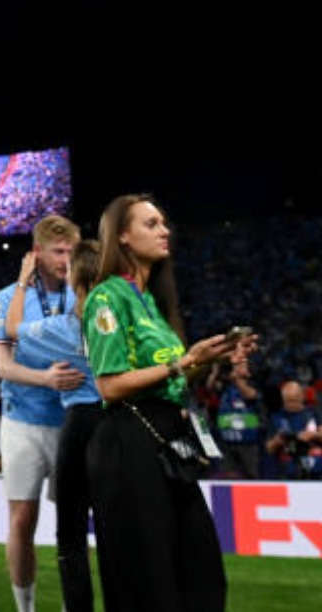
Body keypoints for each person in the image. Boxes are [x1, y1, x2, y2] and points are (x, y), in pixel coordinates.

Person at [82, 193, 257, 612]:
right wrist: (185, 361)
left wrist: (208, 360)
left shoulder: (153, 304)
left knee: (199, 567)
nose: (165, 231)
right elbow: (109, 386)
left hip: (166, 439)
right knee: (150, 575)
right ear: (122, 236)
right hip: (129, 442)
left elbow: (171, 377)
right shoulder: (106, 298)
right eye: (151, 224)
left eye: (164, 223)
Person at [0, 213, 84, 612]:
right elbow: (3, 367)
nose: (66, 260)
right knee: (23, 520)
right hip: (22, 423)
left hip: (71, 422)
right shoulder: (8, 298)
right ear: (37, 253)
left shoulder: (82, 294)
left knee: (72, 522)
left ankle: (72, 604)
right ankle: (25, 608)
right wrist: (46, 379)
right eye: (58, 252)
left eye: (72, 252)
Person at [5, 240, 103, 612]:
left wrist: (21, 282)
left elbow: (13, 329)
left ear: (76, 279)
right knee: (114, 524)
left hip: (78, 425)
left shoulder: (66, 326)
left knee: (71, 532)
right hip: (116, 421)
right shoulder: (119, 317)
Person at [205, 358, 264, 479]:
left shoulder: (253, 383)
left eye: (241, 365)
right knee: (227, 476)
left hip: (247, 441)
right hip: (226, 440)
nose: (237, 367)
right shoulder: (226, 386)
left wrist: (236, 379)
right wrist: (215, 373)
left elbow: (251, 395)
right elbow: (209, 387)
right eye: (236, 365)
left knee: (251, 476)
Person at [265, 379, 322, 480]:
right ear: (283, 399)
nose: (292, 405)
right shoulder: (275, 418)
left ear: (302, 397)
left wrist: (313, 435)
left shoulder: (315, 414)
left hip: (316, 470)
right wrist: (277, 441)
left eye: (295, 400)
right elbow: (268, 449)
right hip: (286, 471)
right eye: (288, 401)